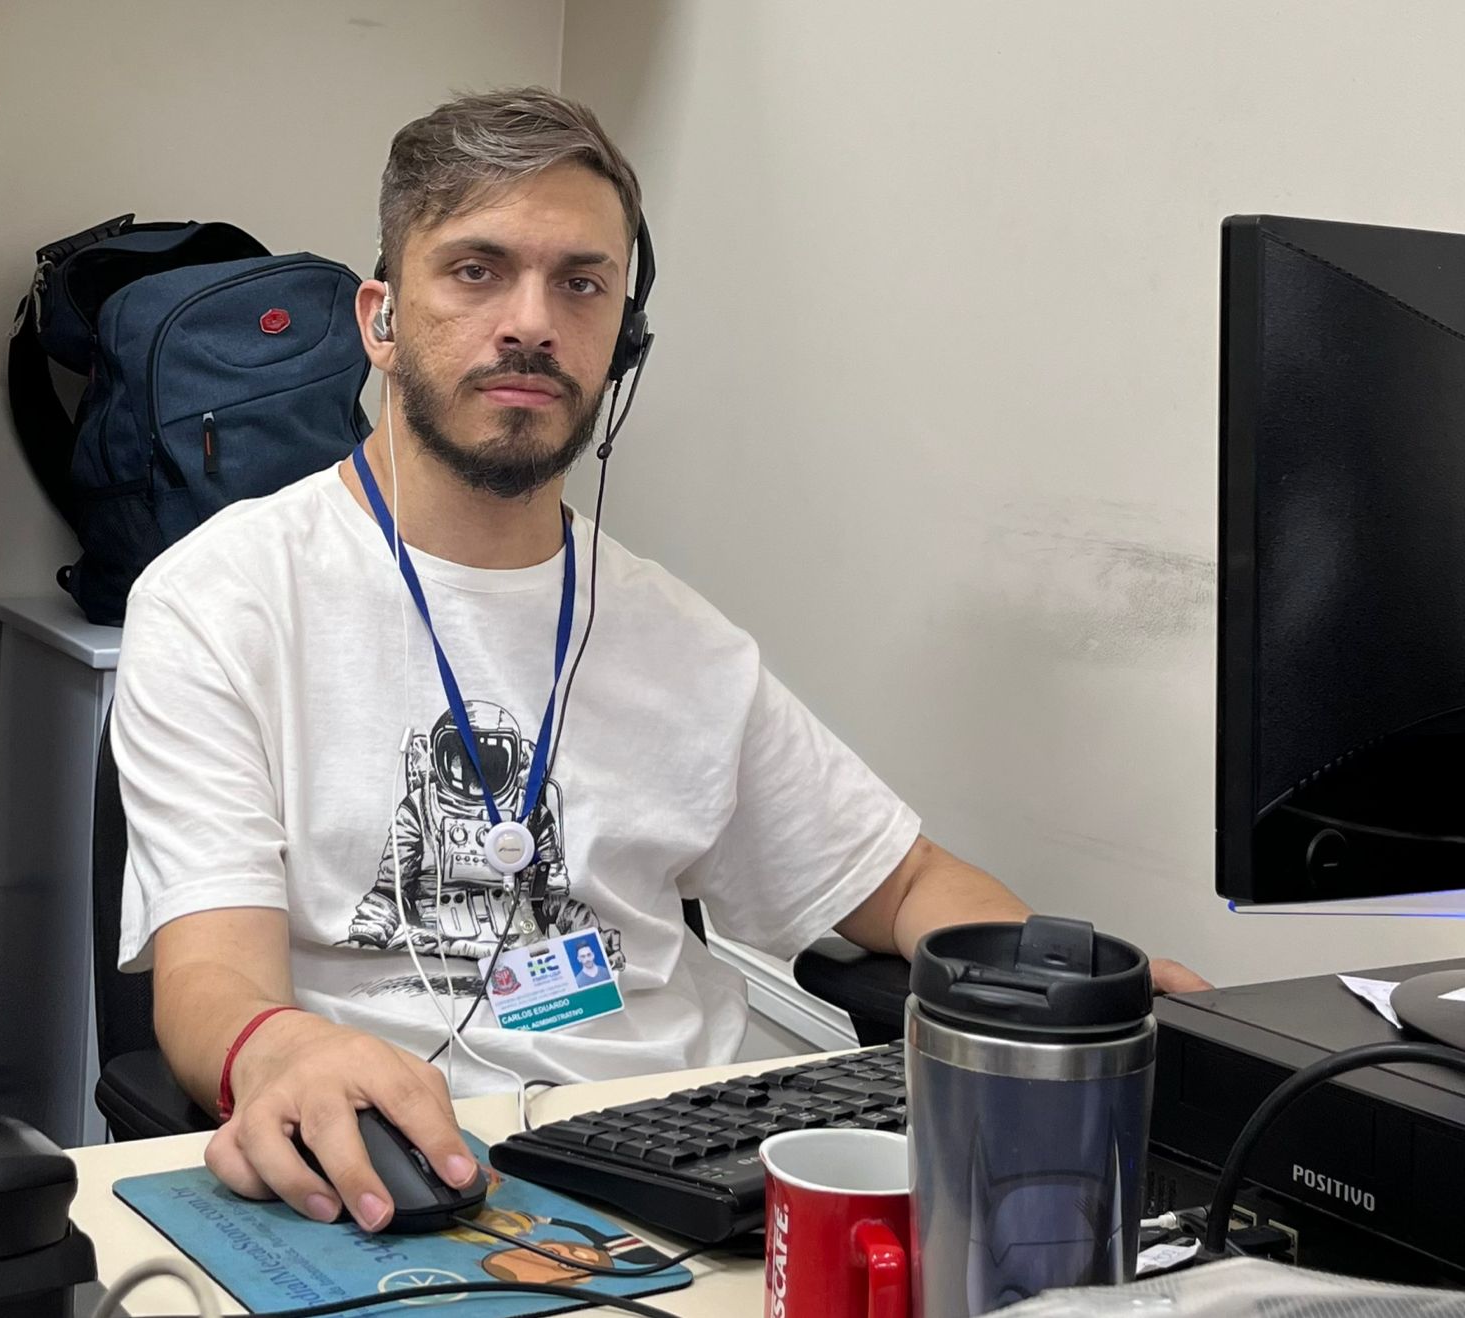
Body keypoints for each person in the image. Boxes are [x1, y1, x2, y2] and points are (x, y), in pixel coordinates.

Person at [113, 87, 1207, 1238]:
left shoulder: (678, 638)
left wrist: (1077, 997)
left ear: (620, 339)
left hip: (683, 1169)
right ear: (380, 320)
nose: (531, 321)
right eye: (477, 270)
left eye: (579, 284)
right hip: (403, 1179)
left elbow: (908, 881)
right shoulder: (222, 599)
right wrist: (280, 1049)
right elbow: (207, 983)